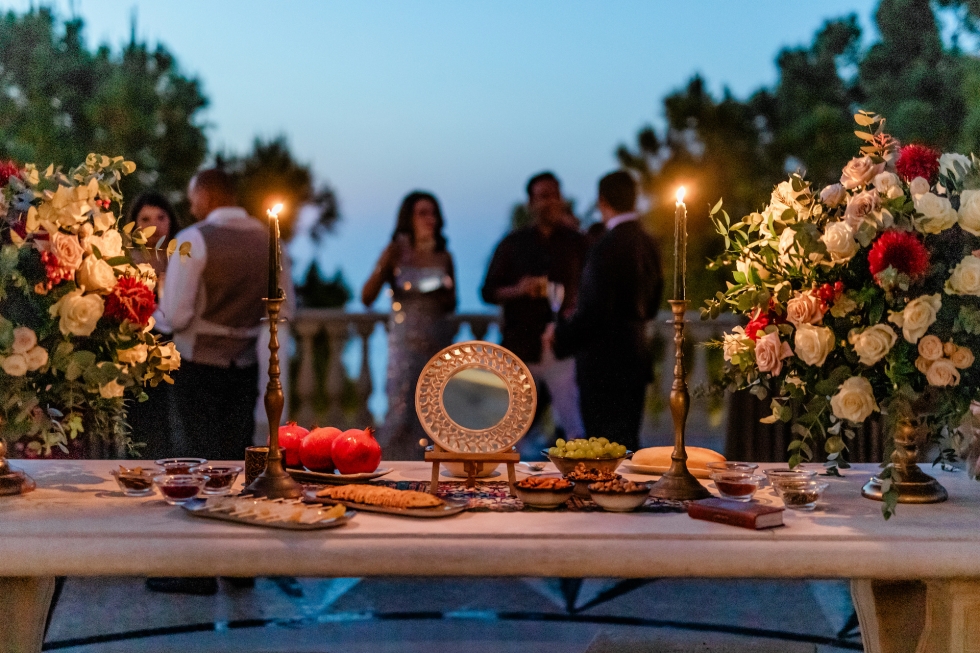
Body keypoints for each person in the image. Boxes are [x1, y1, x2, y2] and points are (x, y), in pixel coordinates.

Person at [155, 169, 269, 461]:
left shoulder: (193, 239)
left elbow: (176, 316)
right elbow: (284, 308)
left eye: (193, 199)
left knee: (196, 456)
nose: (192, 208)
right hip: (246, 365)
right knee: (236, 456)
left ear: (206, 196)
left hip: (197, 367)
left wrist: (149, 313)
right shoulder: (269, 240)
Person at [546, 170, 664, 452]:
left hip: (605, 365)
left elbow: (594, 313)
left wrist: (560, 336)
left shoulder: (605, 247)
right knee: (628, 442)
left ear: (602, 201)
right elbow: (654, 301)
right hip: (635, 357)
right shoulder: (649, 243)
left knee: (604, 447)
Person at [482, 172, 588, 441]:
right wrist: (519, 289)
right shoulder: (512, 243)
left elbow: (592, 285)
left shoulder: (577, 243)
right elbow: (488, 291)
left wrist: (575, 306)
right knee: (513, 424)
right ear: (530, 203)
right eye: (542, 197)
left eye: (553, 195)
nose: (549, 202)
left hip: (563, 345)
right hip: (521, 346)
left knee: (574, 422)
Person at [362, 191, 457, 460]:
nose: (430, 219)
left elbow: (452, 303)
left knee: (433, 412)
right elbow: (366, 297)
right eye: (422, 213)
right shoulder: (396, 252)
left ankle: (429, 475)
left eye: (433, 213)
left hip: (436, 340)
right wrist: (386, 264)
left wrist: (438, 286)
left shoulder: (444, 255)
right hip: (404, 342)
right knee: (400, 408)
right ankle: (387, 468)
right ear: (409, 218)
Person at [123, 192, 183, 459]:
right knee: (143, 418)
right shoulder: (126, 260)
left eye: (161, 217)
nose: (154, 225)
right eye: (145, 218)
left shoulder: (181, 259)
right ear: (134, 224)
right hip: (137, 351)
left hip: (180, 348)